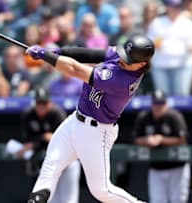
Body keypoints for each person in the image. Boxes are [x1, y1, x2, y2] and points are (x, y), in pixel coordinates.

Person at [25, 33, 155, 202]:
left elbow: (75, 69)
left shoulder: (122, 81)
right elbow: (89, 54)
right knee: (50, 167)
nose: (123, 60)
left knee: (101, 190)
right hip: (75, 121)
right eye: (124, 56)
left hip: (96, 132)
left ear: (142, 64)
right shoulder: (126, 57)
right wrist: (57, 51)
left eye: (129, 60)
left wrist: (45, 56)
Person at [5, 88, 80, 203]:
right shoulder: (28, 115)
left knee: (68, 201)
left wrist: (46, 138)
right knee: (50, 200)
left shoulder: (57, 114)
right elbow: (28, 141)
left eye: (44, 103)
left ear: (50, 103)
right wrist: (42, 139)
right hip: (48, 163)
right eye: (39, 103)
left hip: (67, 162)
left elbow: (66, 141)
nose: (41, 107)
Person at [133, 89, 190, 203]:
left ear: (166, 104)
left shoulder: (174, 116)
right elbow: (136, 139)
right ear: (152, 104)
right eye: (156, 104)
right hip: (156, 169)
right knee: (157, 200)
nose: (158, 107)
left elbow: (182, 139)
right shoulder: (144, 117)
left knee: (178, 200)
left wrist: (161, 139)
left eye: (161, 104)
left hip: (177, 167)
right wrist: (147, 140)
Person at [147, 0, 192, 96]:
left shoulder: (187, 23)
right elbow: (149, 43)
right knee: (162, 97)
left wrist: (191, 47)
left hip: (182, 66)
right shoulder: (157, 23)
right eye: (172, 6)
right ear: (167, 7)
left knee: (182, 97)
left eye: (177, 6)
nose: (175, 9)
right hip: (161, 65)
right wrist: (155, 44)